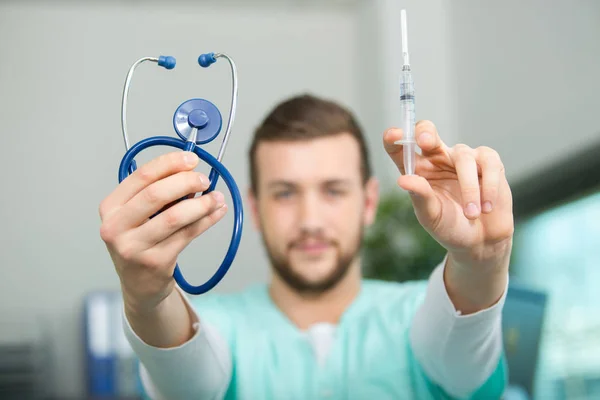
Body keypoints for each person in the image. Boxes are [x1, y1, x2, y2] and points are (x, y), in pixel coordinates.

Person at [99, 94, 513, 399]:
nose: (310, 220)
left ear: (368, 203)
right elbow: (186, 378)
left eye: (333, 191)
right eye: (284, 194)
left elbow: (463, 357)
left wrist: (480, 263)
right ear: (255, 209)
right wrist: (147, 297)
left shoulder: (418, 313)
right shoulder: (213, 325)